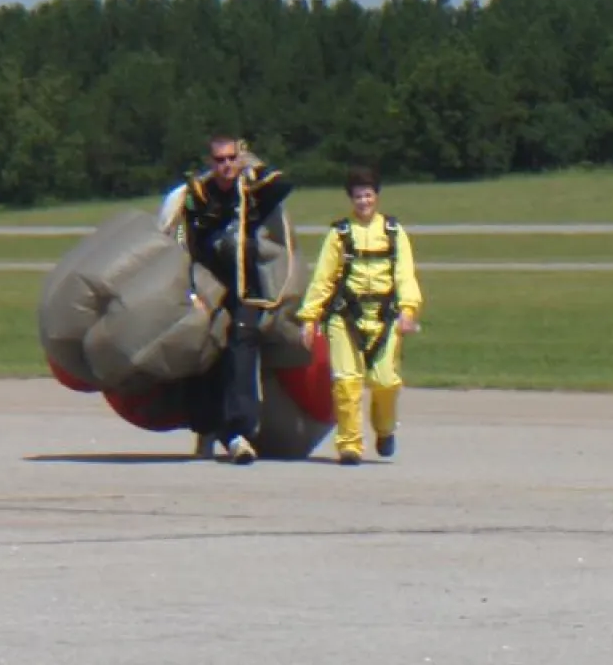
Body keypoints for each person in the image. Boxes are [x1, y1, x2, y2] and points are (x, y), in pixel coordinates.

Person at [162, 135, 294, 464]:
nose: (225, 166)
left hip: (246, 287)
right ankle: (205, 426)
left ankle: (239, 433)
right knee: (206, 349)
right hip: (209, 285)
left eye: (231, 159)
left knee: (241, 341)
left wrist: (255, 164)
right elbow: (179, 230)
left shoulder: (251, 192)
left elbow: (284, 184)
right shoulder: (198, 195)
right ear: (210, 162)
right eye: (219, 160)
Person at [297, 165, 423, 465]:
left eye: (368, 195)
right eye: (358, 197)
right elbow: (323, 278)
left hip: (384, 317)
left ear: (376, 197)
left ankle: (385, 427)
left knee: (385, 381)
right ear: (350, 199)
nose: (364, 202)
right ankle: (350, 445)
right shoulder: (339, 234)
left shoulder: (394, 232)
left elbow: (405, 274)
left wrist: (408, 310)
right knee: (346, 381)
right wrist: (309, 317)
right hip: (345, 317)